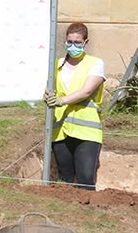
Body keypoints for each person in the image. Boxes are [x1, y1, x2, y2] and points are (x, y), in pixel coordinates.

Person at [44, 22, 106, 189]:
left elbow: (86, 92)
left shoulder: (95, 64)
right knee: (65, 178)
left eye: (77, 42)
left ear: (86, 42)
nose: (73, 46)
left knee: (86, 178)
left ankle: (87, 211)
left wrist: (61, 101)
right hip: (61, 129)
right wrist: (47, 95)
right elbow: (51, 88)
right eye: (69, 41)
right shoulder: (56, 64)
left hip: (86, 131)